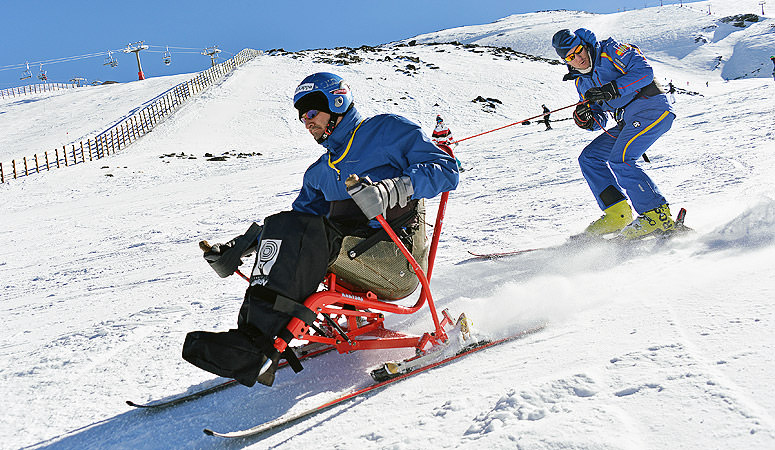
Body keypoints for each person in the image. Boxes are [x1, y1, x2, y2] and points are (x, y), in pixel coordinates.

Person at [182, 72, 459, 387]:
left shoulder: (385, 131)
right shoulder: (319, 173)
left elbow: (446, 170)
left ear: (337, 103)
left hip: (396, 261)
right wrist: (242, 246)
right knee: (283, 224)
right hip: (351, 261)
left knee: (304, 232)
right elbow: (293, 226)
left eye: (312, 112)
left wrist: (391, 189)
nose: (306, 121)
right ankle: (252, 338)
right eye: (302, 116)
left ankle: (256, 346)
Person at [551, 28, 676, 239]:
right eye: (571, 57)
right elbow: (598, 119)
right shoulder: (581, 81)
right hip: (627, 121)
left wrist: (612, 88)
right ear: (566, 61)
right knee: (589, 158)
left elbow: (644, 72)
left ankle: (656, 215)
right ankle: (617, 214)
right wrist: (586, 118)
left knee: (621, 159)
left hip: (652, 108)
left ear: (585, 45)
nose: (578, 58)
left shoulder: (611, 51)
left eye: (579, 50)